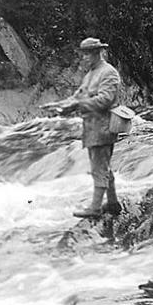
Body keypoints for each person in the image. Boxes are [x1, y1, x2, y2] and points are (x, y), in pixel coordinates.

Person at [44, 37, 122, 218]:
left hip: (103, 126)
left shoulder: (108, 73)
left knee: (98, 168)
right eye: (83, 54)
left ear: (96, 53)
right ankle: (112, 203)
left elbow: (105, 100)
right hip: (91, 127)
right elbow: (77, 97)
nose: (84, 58)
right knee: (103, 166)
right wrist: (59, 105)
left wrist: (77, 106)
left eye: (87, 54)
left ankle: (95, 209)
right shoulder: (90, 75)